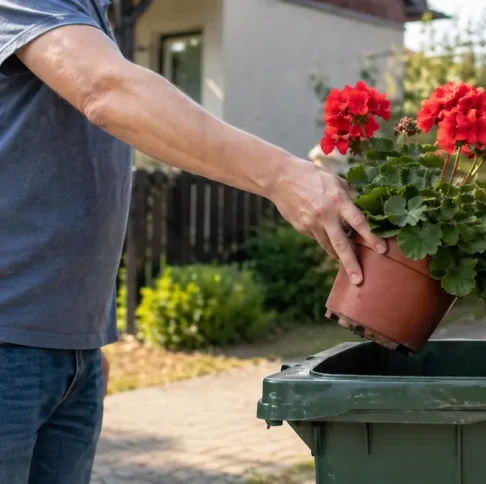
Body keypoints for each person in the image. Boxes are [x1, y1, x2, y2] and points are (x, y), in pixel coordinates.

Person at [0, 1, 386, 482]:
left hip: (68, 350)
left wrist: (81, 347)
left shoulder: (89, 11)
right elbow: (105, 90)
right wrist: (281, 175)